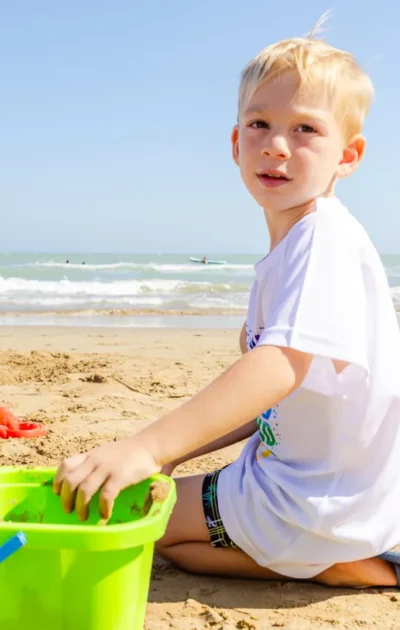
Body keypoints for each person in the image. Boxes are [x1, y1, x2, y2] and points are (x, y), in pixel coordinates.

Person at [53, 23, 400, 588]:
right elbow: (265, 403)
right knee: (173, 529)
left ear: (348, 156)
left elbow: (278, 365)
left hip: (317, 500)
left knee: (145, 522)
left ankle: (354, 568)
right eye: (259, 123)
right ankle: (339, 556)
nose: (276, 144)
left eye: (305, 129)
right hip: (323, 484)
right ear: (236, 143)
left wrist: (147, 445)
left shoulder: (322, 240)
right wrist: (174, 451)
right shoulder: (295, 248)